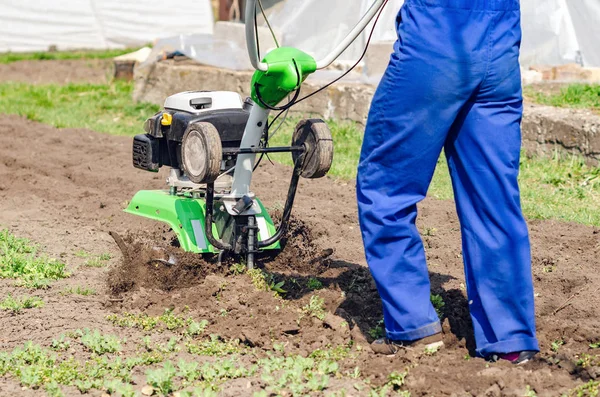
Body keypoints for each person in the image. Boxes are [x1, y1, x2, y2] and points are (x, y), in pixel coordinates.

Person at [356, 0, 539, 364]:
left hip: (439, 35)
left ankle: (413, 328)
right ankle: (510, 341)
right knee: (493, 198)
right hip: (500, 38)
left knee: (385, 186)